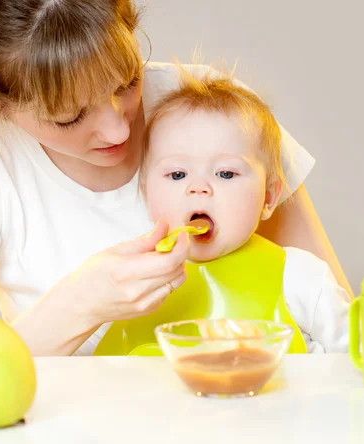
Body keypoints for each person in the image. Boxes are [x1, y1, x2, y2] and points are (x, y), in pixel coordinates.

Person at [0, 0, 352, 356]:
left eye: (126, 81)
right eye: (69, 117)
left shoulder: (214, 112)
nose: (119, 128)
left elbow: (333, 322)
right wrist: (81, 304)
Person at [132, 69, 349, 352]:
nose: (199, 187)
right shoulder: (137, 282)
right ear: (147, 197)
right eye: (177, 175)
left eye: (225, 173)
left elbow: (363, 360)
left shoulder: (298, 276)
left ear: (269, 198)